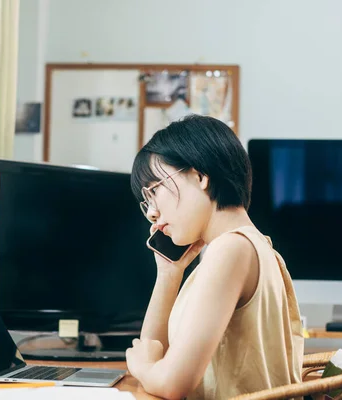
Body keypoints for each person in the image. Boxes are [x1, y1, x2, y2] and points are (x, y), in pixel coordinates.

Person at [125, 115, 304, 400]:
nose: (152, 213)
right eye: (146, 200)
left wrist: (143, 368)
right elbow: (156, 350)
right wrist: (169, 274)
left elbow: (172, 383)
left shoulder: (231, 250)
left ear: (199, 176)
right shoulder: (252, 247)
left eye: (155, 189)